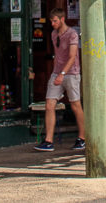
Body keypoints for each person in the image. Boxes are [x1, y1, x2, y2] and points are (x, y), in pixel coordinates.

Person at [34, 8, 85, 152]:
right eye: (51, 21)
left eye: (55, 20)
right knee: (49, 104)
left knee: (75, 104)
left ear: (62, 19)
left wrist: (63, 73)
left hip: (71, 73)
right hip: (57, 72)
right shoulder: (53, 34)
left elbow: (72, 56)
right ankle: (48, 140)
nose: (52, 23)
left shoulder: (72, 34)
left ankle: (82, 137)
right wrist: (57, 72)